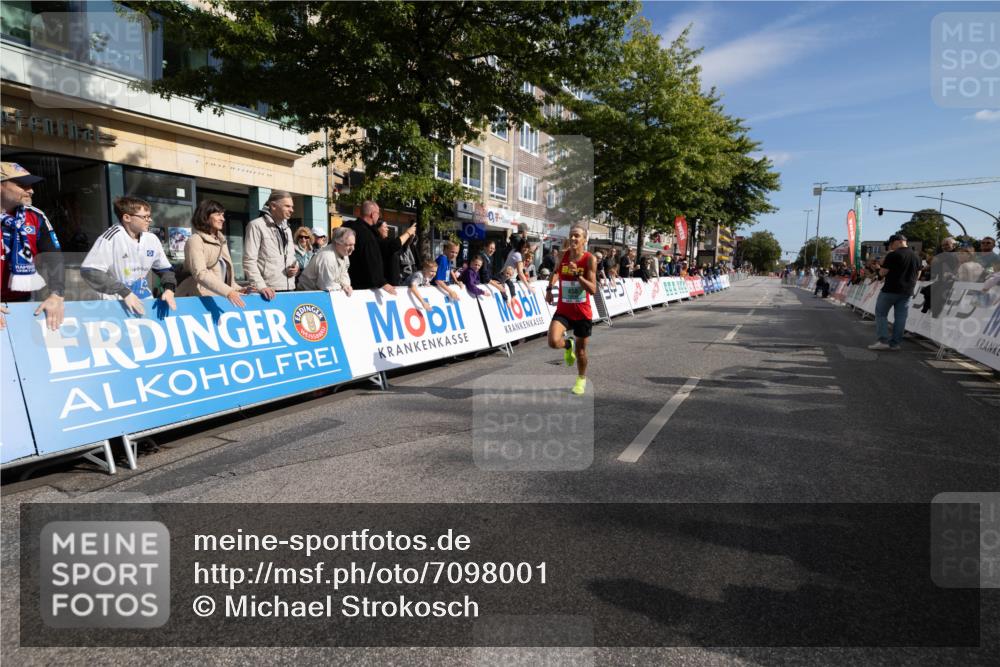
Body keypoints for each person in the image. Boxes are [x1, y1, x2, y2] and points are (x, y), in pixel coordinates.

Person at [81, 196, 177, 315]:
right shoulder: (111, 238)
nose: (150, 220)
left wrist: (169, 288)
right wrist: (124, 292)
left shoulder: (151, 239)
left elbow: (165, 269)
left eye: (149, 216)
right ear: (127, 217)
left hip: (143, 300)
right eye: (145, 217)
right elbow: (90, 271)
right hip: (114, 304)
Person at [0, 161, 64, 330]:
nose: (31, 190)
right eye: (22, 185)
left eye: (31, 185)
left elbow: (54, 258)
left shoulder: (35, 216)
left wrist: (57, 295)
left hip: (23, 302)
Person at [546, 223, 597, 396]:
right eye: (571, 235)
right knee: (553, 341)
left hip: (582, 312)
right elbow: (555, 272)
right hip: (564, 309)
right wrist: (549, 289)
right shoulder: (562, 255)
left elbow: (592, 289)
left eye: (577, 236)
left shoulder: (589, 259)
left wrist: (578, 275)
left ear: (584, 239)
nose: (573, 238)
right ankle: (568, 343)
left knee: (581, 352)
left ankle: (581, 379)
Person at [176, 200, 250, 308]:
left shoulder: (221, 241)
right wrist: (228, 292)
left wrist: (239, 289)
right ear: (205, 216)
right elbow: (200, 274)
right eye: (218, 215)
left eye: (223, 215)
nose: (223, 219)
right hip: (197, 300)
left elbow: (223, 279)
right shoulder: (195, 240)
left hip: (217, 300)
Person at [868, 234, 920, 351]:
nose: (890, 246)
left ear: (898, 241)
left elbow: (882, 273)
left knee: (881, 314)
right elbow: (918, 274)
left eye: (891, 244)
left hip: (890, 290)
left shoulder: (893, 255)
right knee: (901, 318)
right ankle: (895, 344)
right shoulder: (916, 256)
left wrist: (877, 268)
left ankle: (883, 341)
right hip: (907, 291)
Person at [243, 190, 297, 297]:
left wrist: (295, 268)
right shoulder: (256, 225)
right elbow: (249, 261)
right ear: (273, 206)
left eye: (292, 206)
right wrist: (261, 286)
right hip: (267, 291)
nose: (291, 210)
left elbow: (292, 256)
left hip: (290, 288)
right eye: (287, 206)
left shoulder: (287, 229)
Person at [346, 200, 395, 294]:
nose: (379, 216)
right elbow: (370, 259)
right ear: (372, 214)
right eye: (378, 213)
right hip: (362, 286)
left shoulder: (352, 227)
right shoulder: (366, 234)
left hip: (350, 282)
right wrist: (382, 282)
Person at [297, 227, 354, 293]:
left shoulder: (344, 253)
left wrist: (346, 285)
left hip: (320, 292)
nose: (353, 248)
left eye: (353, 244)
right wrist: (342, 289)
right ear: (338, 243)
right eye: (349, 245)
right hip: (306, 294)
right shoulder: (327, 258)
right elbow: (328, 286)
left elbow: (343, 273)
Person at [377, 219, 418, 286]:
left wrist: (409, 237)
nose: (388, 229)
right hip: (385, 283)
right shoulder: (379, 242)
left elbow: (401, 246)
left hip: (395, 282)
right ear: (377, 228)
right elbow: (395, 244)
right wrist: (408, 232)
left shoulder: (388, 240)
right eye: (385, 227)